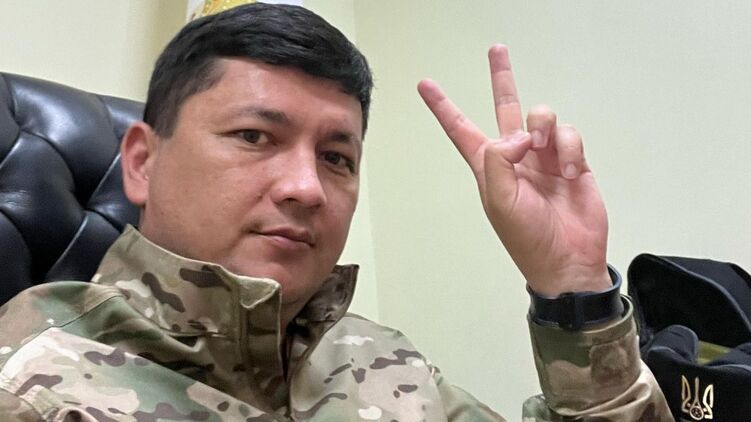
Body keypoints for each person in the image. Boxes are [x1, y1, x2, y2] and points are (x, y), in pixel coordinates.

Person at [0, 3, 671, 421]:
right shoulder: (30, 386)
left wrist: (574, 290)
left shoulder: (381, 358)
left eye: (336, 157)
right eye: (254, 136)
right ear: (143, 162)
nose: (306, 188)